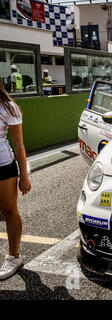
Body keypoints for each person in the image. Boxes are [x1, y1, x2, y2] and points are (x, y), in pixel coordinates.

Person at [0, 80, 31, 280]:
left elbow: (18, 145)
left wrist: (24, 176)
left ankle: (13, 256)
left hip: (3, 166)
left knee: (9, 211)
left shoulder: (8, 107)